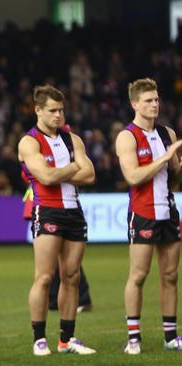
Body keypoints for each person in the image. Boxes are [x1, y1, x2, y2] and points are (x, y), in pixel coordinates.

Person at [17, 84, 96, 356]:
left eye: (61, 110)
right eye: (52, 110)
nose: (58, 115)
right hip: (47, 211)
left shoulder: (72, 139)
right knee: (45, 277)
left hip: (74, 210)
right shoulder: (29, 142)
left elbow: (91, 176)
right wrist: (75, 166)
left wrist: (60, 171)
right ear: (37, 110)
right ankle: (39, 338)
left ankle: (67, 339)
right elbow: (47, 179)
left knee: (71, 277)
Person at [115, 78, 182, 354]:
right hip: (143, 213)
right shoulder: (127, 136)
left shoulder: (168, 133)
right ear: (134, 104)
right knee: (139, 275)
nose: (155, 104)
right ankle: (133, 338)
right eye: (148, 100)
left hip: (168, 211)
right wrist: (164, 159)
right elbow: (132, 176)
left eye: (156, 99)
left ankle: (171, 336)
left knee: (170, 275)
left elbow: (175, 175)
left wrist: (176, 163)